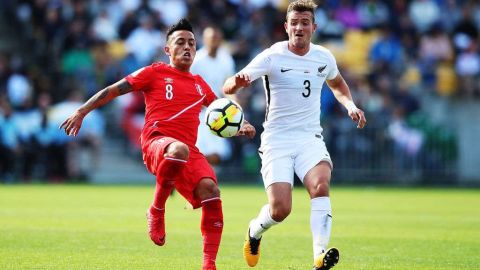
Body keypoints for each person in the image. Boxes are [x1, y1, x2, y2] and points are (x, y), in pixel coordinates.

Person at [60, 19, 256, 270]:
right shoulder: (154, 72)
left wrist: (241, 125)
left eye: (192, 44)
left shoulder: (199, 84)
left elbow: (221, 111)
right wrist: (82, 111)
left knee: (211, 191)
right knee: (178, 150)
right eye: (181, 42)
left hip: (188, 150)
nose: (187, 48)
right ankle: (156, 209)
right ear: (167, 50)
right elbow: (113, 90)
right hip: (156, 143)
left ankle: (209, 265)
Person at [222, 1, 367, 269]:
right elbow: (229, 86)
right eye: (295, 23)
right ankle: (254, 232)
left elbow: (338, 84)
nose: (299, 27)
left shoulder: (324, 57)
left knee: (321, 185)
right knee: (280, 209)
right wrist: (237, 82)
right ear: (286, 27)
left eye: (305, 23)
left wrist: (350, 105)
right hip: (277, 140)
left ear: (314, 27)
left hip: (310, 138)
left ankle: (319, 256)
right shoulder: (272, 56)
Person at [191, 26, 236, 166]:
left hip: (217, 115)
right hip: (197, 114)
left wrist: (235, 107)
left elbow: (228, 88)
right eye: (211, 38)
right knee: (194, 155)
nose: (214, 41)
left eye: (217, 38)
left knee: (215, 156)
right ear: (204, 40)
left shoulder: (226, 60)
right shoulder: (196, 60)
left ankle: (199, 182)